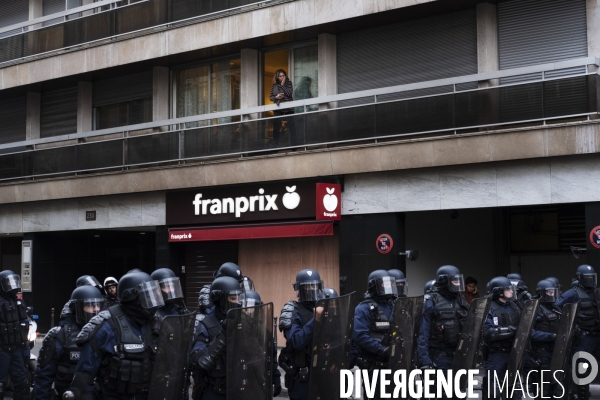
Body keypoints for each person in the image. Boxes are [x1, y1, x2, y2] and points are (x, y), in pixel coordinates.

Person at [63, 271, 165, 400]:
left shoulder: (156, 322)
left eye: (153, 295)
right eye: (147, 296)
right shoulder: (105, 326)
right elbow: (85, 372)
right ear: (132, 297)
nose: (152, 300)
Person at [483, 276, 555, 399]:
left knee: (516, 392)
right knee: (494, 391)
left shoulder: (514, 307)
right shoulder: (489, 308)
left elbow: (526, 331)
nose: (513, 291)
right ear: (499, 291)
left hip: (515, 354)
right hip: (497, 355)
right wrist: (510, 330)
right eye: (509, 289)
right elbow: (487, 332)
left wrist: (552, 336)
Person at [33, 286, 105, 400]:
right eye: (90, 305)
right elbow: (43, 377)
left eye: (98, 305)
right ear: (78, 308)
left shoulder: (107, 333)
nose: (95, 310)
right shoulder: (60, 335)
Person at [189, 276, 245, 400]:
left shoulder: (241, 321)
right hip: (215, 392)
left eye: (238, 297)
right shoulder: (205, 323)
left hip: (239, 390)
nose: (237, 302)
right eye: (232, 298)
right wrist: (222, 336)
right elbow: (197, 359)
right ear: (219, 300)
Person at [278, 269, 325, 400]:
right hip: (302, 376)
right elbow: (296, 341)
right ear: (299, 288)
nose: (311, 289)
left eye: (314, 285)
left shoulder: (325, 306)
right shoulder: (292, 309)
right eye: (307, 286)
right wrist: (315, 320)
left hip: (323, 374)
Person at [556, 265, 600, 400]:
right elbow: (556, 308)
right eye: (587, 278)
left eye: (591, 278)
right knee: (583, 372)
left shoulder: (597, 292)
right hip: (584, 338)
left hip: (597, 336)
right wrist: (570, 326)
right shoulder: (573, 293)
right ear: (580, 278)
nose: (590, 281)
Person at [417, 265, 469, 375]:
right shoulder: (431, 301)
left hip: (459, 355)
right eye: (455, 281)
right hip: (440, 356)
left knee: (459, 391)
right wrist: (424, 360)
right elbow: (423, 333)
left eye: (459, 281)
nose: (458, 284)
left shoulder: (461, 300)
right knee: (441, 391)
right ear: (444, 281)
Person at [353, 270, 396, 399]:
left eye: (390, 284)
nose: (388, 288)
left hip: (395, 366)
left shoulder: (394, 305)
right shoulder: (363, 308)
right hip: (374, 367)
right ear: (374, 286)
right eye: (384, 284)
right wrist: (382, 350)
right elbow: (360, 335)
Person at [242, 289, 282, 397]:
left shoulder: (264, 331)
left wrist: (276, 378)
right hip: (241, 381)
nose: (248, 310)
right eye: (245, 306)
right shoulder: (235, 329)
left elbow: (271, 357)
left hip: (260, 383)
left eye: (252, 306)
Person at [0, 271, 31, 400]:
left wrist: (26, 350)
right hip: (1, 351)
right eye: (9, 282)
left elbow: (23, 327)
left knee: (23, 386)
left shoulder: (18, 303)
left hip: (17, 351)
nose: (12, 285)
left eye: (14, 281)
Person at [528, 279, 560, 397]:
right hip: (541, 352)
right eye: (549, 292)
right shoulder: (535, 309)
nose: (552, 295)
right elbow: (529, 333)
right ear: (541, 292)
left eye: (553, 292)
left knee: (555, 387)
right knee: (543, 388)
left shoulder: (555, 308)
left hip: (555, 352)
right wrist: (550, 336)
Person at [269, 69, 296, 147]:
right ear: (277, 77)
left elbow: (289, 93)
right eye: (280, 76)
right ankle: (275, 146)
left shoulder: (289, 83)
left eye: (283, 75)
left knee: (291, 126)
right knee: (276, 126)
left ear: (285, 75)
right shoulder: (274, 86)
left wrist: (282, 85)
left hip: (289, 107)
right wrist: (276, 97)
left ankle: (294, 146)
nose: (282, 77)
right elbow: (270, 97)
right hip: (279, 106)